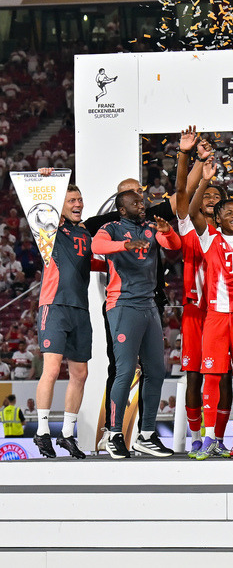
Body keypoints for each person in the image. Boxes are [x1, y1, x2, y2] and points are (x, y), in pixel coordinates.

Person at [176, 128, 233, 461]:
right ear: (216, 218)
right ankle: (206, 439)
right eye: (227, 213)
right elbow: (189, 209)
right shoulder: (208, 239)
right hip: (215, 316)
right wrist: (202, 177)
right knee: (212, 376)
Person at [91, 191, 181, 458]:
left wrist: (168, 231)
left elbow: (174, 245)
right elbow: (97, 246)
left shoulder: (151, 227)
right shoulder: (111, 228)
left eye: (142, 202)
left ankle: (147, 435)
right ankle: (114, 434)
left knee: (157, 371)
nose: (142, 206)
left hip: (149, 305)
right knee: (125, 371)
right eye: (136, 203)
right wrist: (125, 245)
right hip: (122, 304)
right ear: (122, 209)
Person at [172, 134, 232, 458]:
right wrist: (187, 156)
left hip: (226, 313)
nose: (209, 199)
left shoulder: (232, 234)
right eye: (205, 194)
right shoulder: (189, 230)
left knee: (225, 378)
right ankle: (196, 437)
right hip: (197, 314)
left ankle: (218, 438)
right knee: (194, 376)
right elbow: (182, 194)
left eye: (215, 196)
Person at [32, 173, 99, 458]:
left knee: (80, 373)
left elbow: (90, 263)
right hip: (54, 305)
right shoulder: (48, 229)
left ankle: (68, 434)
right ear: (59, 205)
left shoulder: (85, 233)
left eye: (80, 199)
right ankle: (42, 431)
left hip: (80, 308)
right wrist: (45, 182)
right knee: (51, 369)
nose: (78, 204)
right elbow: (35, 203)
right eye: (71, 200)